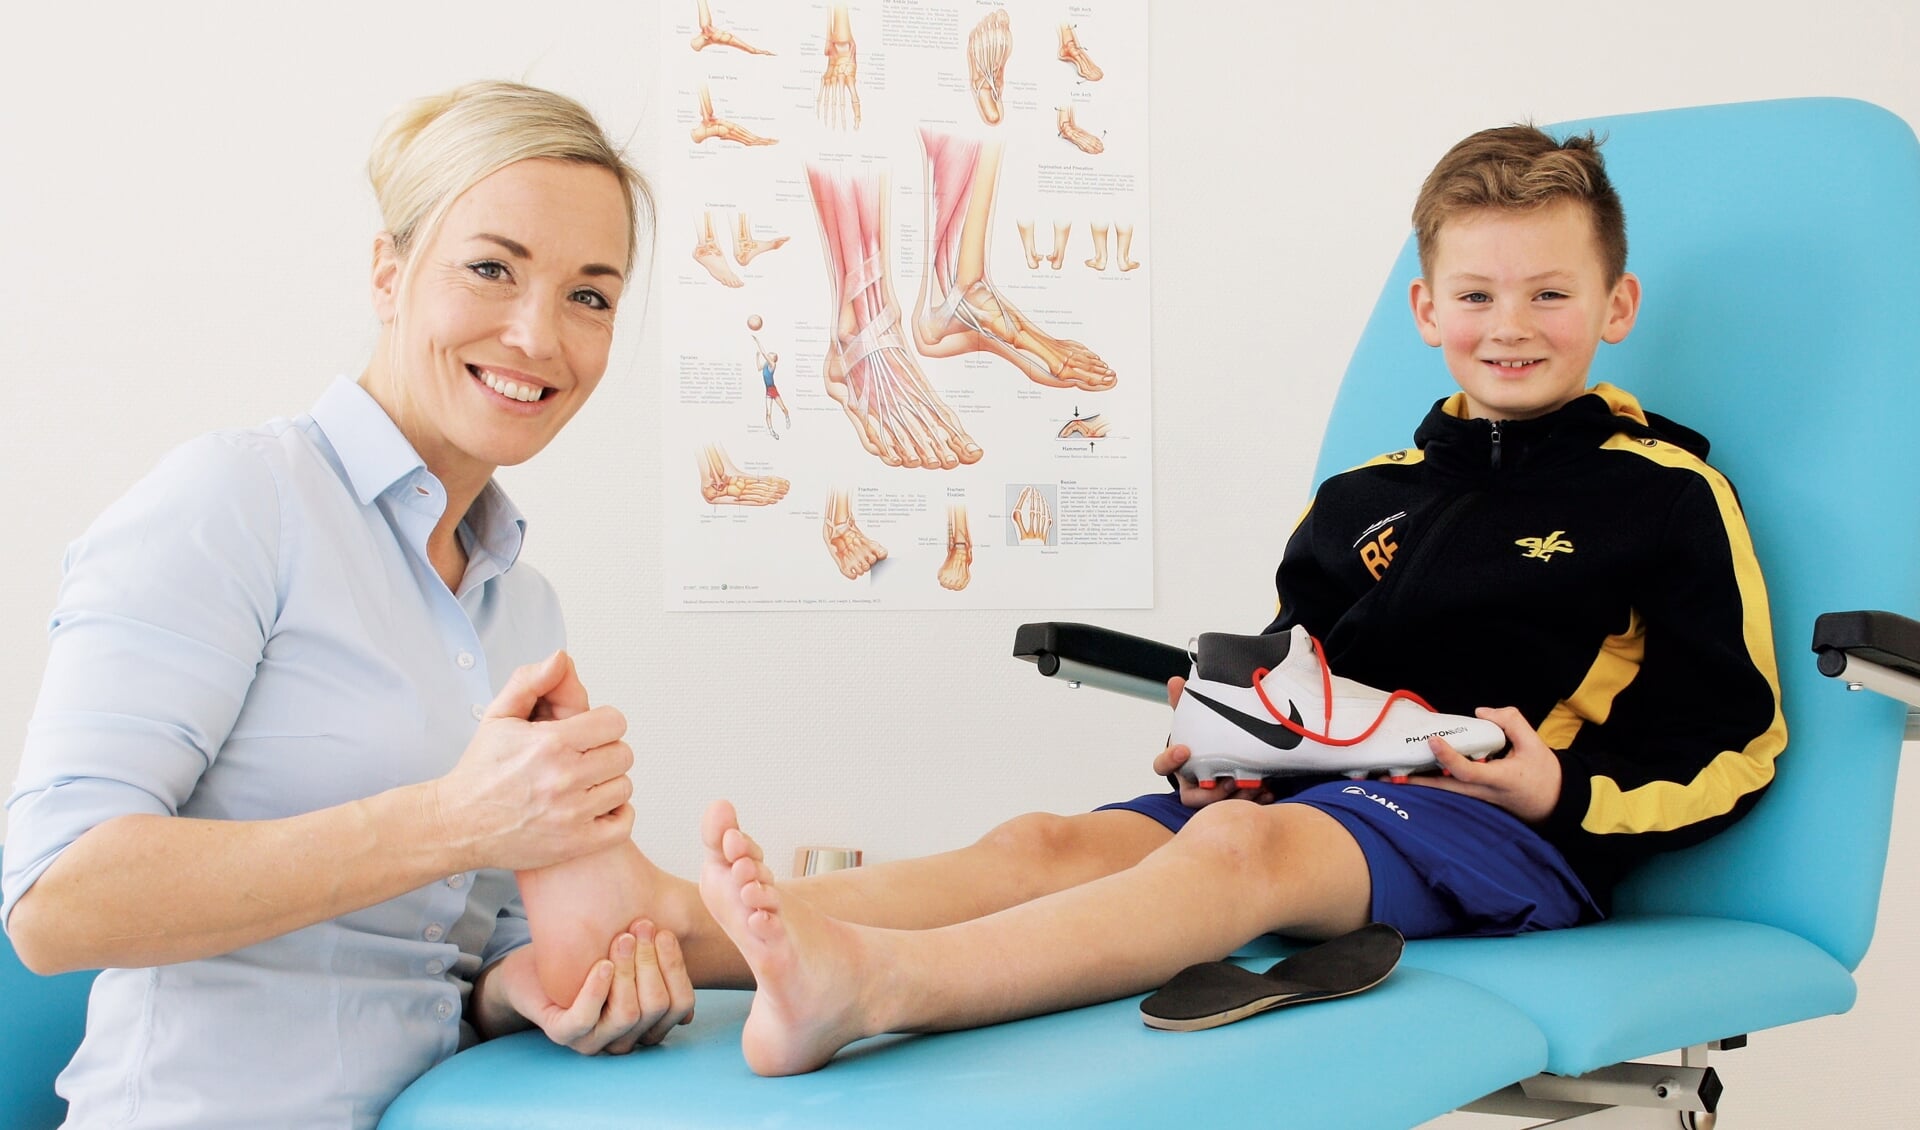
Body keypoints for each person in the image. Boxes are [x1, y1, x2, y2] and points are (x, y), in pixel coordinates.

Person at [516, 123, 1786, 1077]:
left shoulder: (1662, 494)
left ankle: (879, 981)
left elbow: (1735, 735)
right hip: (1316, 795)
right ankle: (677, 927)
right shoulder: (1363, 496)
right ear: (1426, 309)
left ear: (1613, 306)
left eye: (1550, 294)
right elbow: (1298, 679)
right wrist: (1226, 745)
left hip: (1503, 832)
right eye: (1477, 295)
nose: (1511, 326)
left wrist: (1559, 790)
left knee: (1245, 852)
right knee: (1043, 842)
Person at [1, 81, 695, 1128]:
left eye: (589, 295)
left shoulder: (523, 603)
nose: (536, 333)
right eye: (491, 267)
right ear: (389, 272)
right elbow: (58, 900)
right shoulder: (235, 503)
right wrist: (452, 820)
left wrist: (523, 989)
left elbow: (467, 932)